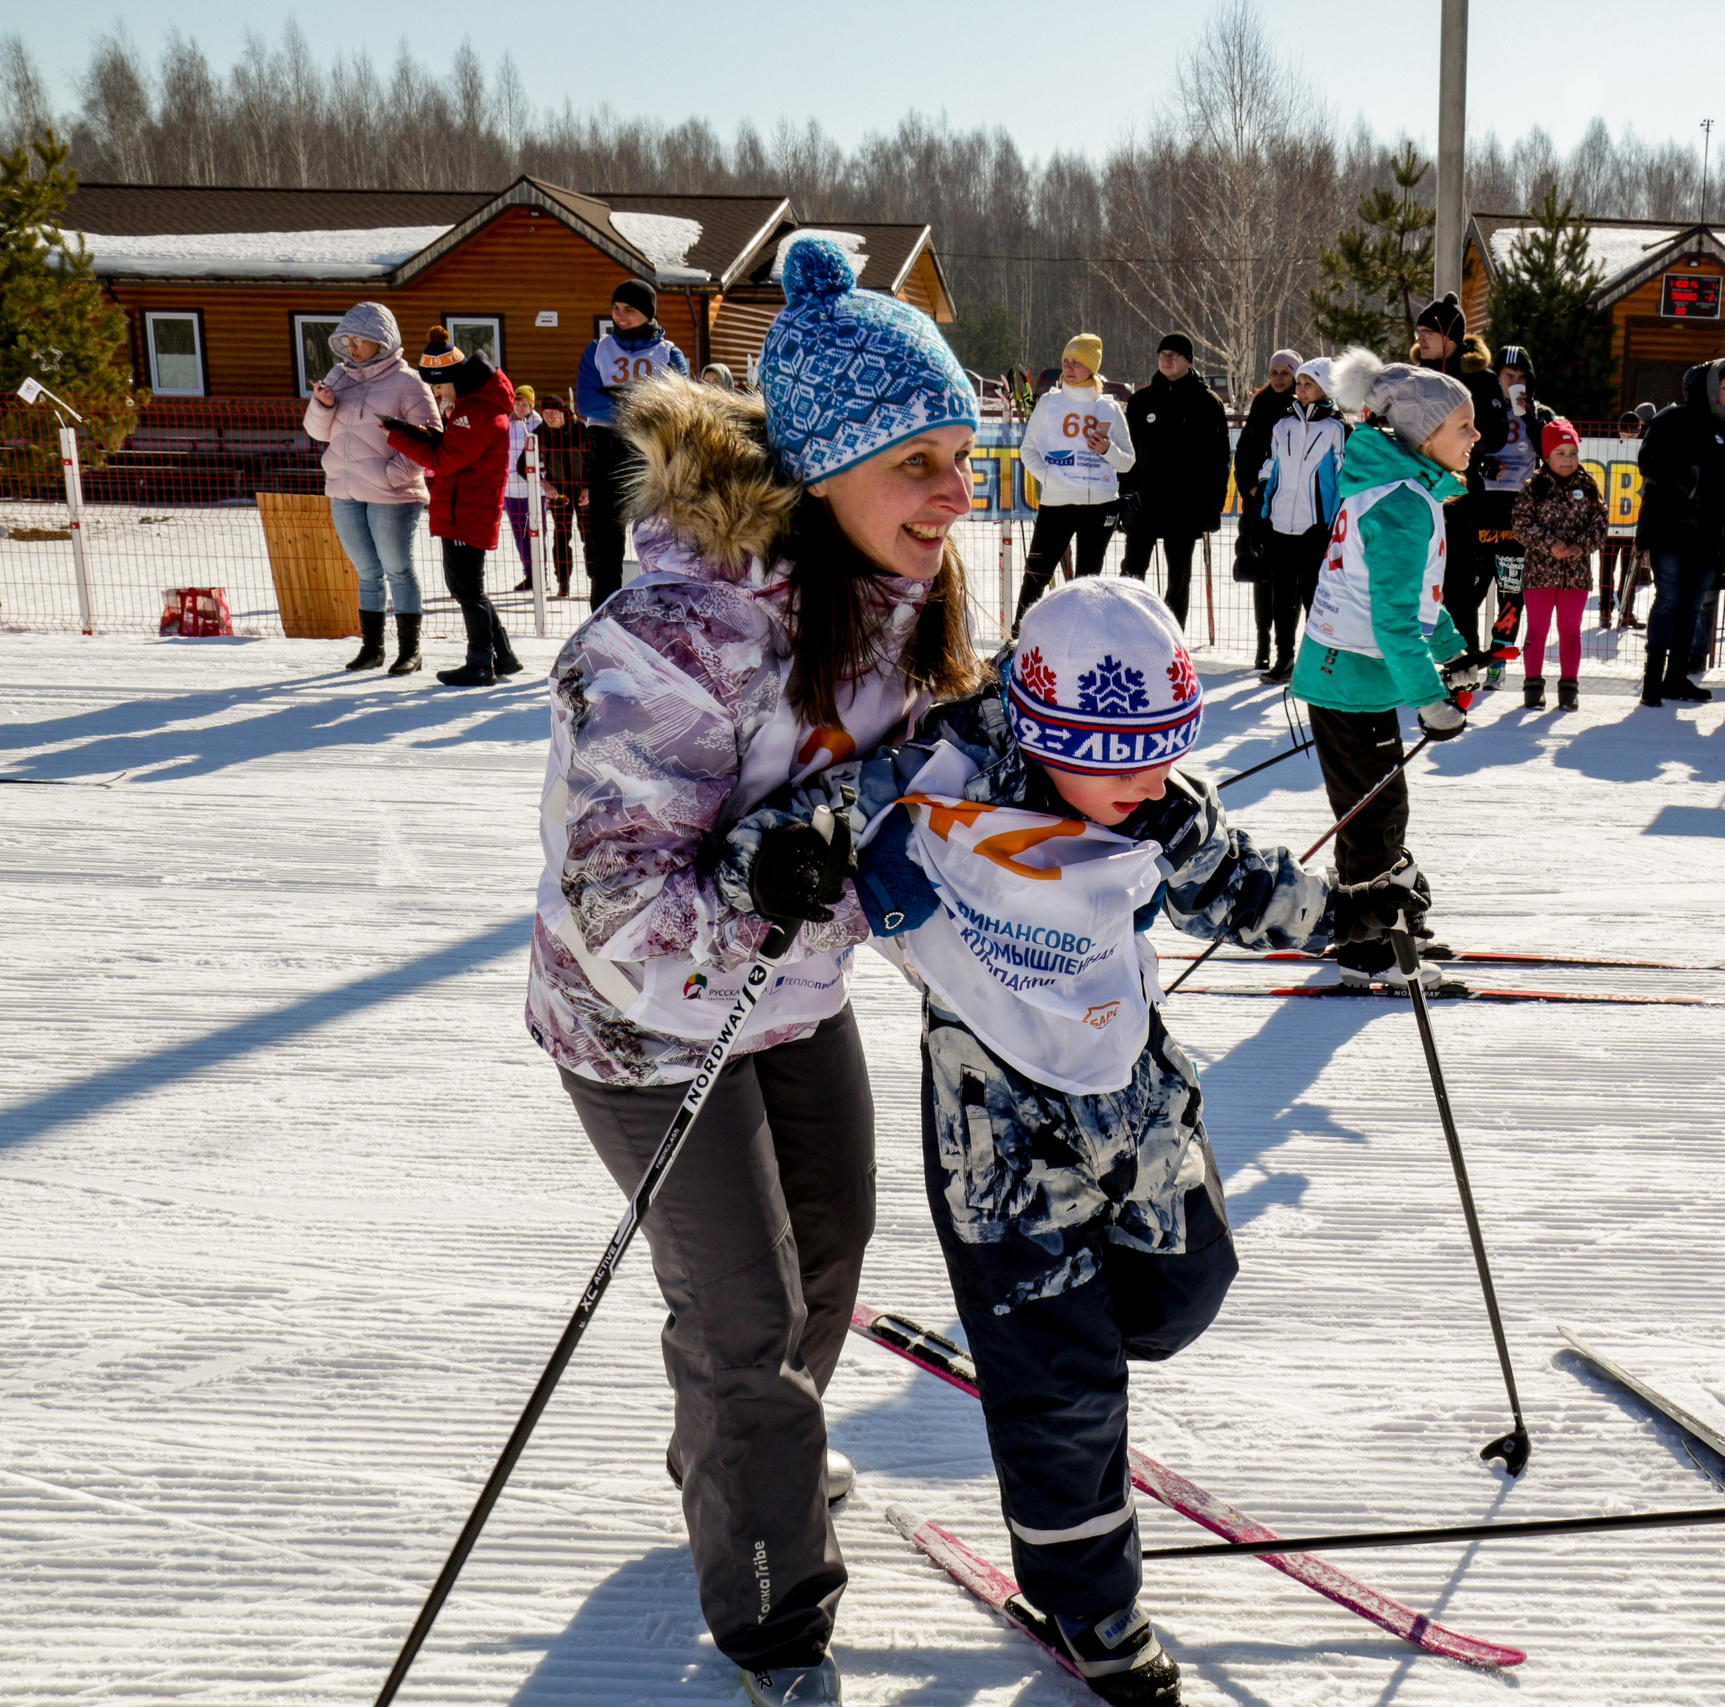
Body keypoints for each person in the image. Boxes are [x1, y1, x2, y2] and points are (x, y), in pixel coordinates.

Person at [827, 577, 1423, 1707]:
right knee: (1066, 1388)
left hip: (1138, 1106)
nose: (1152, 784)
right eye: (1123, 761)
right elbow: (799, 824)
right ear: (1051, 736)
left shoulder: (1142, 795)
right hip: (1001, 1143)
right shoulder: (932, 781)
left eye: (1164, 754)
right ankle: (1085, 1598)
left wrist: (1346, 914)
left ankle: (1069, 1358)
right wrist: (793, 859)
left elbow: (1228, 879)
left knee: (1183, 1298)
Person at [531, 235, 983, 1707]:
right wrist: (763, 874)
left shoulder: (905, 597)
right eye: (919, 459)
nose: (951, 491)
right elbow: (621, 903)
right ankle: (777, 1613)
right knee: (741, 1306)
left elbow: (918, 781)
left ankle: (741, 1453)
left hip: (788, 992)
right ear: (832, 465)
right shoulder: (677, 636)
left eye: (962, 454)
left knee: (829, 1258)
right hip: (642, 1024)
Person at [1290, 348, 1480, 988]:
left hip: (1353, 674)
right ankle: (1369, 950)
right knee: (1375, 815)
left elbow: (1409, 601)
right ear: (1423, 435)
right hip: (1351, 678)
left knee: (1375, 810)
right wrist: (1432, 701)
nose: (1476, 437)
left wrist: (1452, 651)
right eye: (1463, 426)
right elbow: (1393, 625)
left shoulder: (1399, 490)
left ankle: (1379, 927)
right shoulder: (1402, 504)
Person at [302, 300, 437, 676]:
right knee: (366, 572)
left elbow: (429, 439)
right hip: (344, 492)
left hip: (392, 495)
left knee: (398, 570)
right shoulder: (339, 377)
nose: (353, 347)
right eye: (348, 339)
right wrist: (323, 404)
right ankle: (371, 649)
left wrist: (391, 477)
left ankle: (410, 651)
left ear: (383, 340)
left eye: (361, 339)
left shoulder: (408, 382)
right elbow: (317, 432)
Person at [383, 327, 522, 689]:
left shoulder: (473, 413)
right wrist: (418, 433)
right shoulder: (476, 407)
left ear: (453, 379)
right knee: (468, 586)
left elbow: (445, 462)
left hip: (466, 510)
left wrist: (400, 436)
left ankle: (479, 664)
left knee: (465, 588)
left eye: (439, 387)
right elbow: (456, 451)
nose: (438, 394)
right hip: (468, 506)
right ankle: (502, 656)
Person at [1636, 357, 1725, 707]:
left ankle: (1677, 678)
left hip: (1710, 538)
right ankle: (1653, 681)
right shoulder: (1672, 419)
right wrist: (1691, 486)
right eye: (1724, 388)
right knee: (1668, 604)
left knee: (1693, 608)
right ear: (1708, 388)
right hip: (1671, 531)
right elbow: (1650, 461)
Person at [577, 276, 692, 609]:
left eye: (628, 309)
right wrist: (645, 404)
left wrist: (615, 399)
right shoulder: (598, 350)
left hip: (650, 460)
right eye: (615, 308)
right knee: (604, 550)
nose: (619, 315)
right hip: (605, 457)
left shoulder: (668, 354)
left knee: (658, 544)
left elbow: (679, 408)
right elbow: (586, 403)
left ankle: (660, 614)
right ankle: (601, 618)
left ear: (648, 313)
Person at [1014, 333, 1135, 630]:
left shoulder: (1109, 408)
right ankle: (1017, 640)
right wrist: (1048, 479)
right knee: (1037, 575)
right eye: (1066, 361)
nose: (1068, 368)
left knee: (1087, 583)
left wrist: (1106, 449)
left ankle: (1082, 643)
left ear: (1091, 368)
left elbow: (1128, 461)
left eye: (1076, 363)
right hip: (1058, 503)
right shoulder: (1048, 403)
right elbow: (1028, 449)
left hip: (1101, 505)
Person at [1410, 293, 1509, 655]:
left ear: (1449, 336)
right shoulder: (1413, 377)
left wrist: (1452, 443)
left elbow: (1496, 435)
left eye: (1428, 332)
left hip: (1460, 492)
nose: (1419, 338)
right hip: (1414, 489)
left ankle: (1461, 660)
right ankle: (1408, 662)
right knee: (1410, 578)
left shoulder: (1479, 380)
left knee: (1456, 582)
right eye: (1418, 331)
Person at [1118, 333, 1231, 625]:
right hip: (1145, 502)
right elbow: (1127, 454)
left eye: (1174, 355)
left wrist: (1213, 507)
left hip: (1186, 505)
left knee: (1178, 577)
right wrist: (1124, 495)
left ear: (1188, 361)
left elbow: (1219, 459)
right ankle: (1126, 630)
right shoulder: (1142, 400)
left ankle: (1172, 639)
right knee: (1131, 572)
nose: (1166, 360)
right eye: (1162, 354)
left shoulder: (1207, 402)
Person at [1252, 356, 1345, 686]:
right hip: (1280, 524)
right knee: (1281, 596)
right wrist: (1265, 500)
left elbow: (1343, 476)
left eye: (1309, 383)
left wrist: (1334, 520)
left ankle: (1316, 662)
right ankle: (1284, 657)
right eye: (1300, 382)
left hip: (1316, 527)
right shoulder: (1283, 425)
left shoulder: (1336, 429)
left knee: (1314, 596)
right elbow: (1271, 465)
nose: (1301, 388)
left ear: (1325, 388)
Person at [1470, 345, 1556, 684]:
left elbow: (1554, 453)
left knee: (1510, 591)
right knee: (1468, 589)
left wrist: (1531, 417)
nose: (1515, 383)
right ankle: (1462, 657)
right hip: (1481, 509)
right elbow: (1460, 448)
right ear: (1497, 378)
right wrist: (1481, 463)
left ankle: (1498, 661)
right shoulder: (1479, 408)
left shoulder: (1541, 413)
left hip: (1519, 513)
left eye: (1522, 378)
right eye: (1509, 377)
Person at [1511, 419, 1607, 711]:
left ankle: (1568, 689)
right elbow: (1521, 524)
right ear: (1547, 456)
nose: (1567, 460)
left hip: (1575, 575)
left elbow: (1601, 523)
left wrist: (1582, 545)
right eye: (1560, 453)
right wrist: (1548, 542)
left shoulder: (1589, 486)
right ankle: (1532, 687)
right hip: (1540, 573)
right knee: (1537, 630)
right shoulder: (1534, 487)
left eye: (1572, 453)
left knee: (1570, 631)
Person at [1230, 348, 1301, 658]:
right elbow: (1245, 452)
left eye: (1285, 373)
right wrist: (1249, 486)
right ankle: (1262, 641)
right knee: (1260, 573)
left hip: (1291, 503)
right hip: (1260, 504)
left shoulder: (1301, 406)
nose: (1278, 378)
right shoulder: (1260, 403)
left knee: (1290, 579)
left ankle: (1285, 646)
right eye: (1274, 372)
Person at [534, 394, 590, 602]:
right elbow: (524, 464)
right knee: (561, 537)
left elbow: (595, 461)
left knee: (589, 537)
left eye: (552, 413)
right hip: (559, 494)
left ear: (563, 412)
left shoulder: (581, 430)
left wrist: (589, 487)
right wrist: (544, 483)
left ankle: (594, 581)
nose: (548, 417)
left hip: (583, 492)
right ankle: (563, 584)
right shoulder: (539, 433)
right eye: (545, 413)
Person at [1599, 410, 1643, 628]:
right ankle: (1605, 611)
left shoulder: (1643, 448)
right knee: (1606, 568)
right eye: (1625, 430)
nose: (1628, 435)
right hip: (1610, 519)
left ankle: (1627, 611)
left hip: (1632, 520)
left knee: (1630, 570)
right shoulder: (1607, 448)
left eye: (1633, 430)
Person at [504, 384, 540, 591]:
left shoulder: (538, 424)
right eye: (516, 403)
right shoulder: (505, 423)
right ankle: (529, 573)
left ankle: (539, 574)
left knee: (535, 532)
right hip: (510, 488)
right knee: (519, 533)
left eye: (523, 403)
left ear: (530, 405)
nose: (519, 407)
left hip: (533, 489)